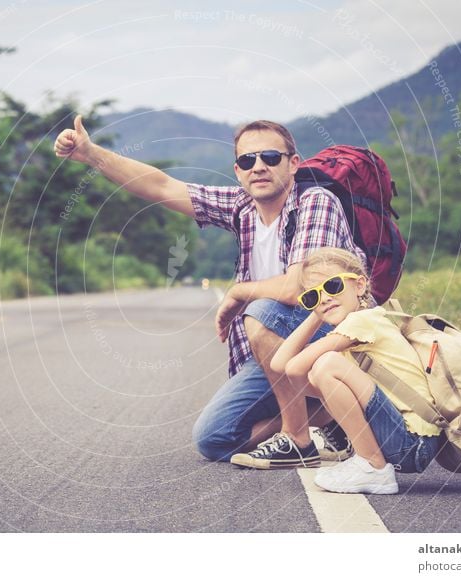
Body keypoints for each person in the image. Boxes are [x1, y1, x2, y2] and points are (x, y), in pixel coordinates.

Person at [54, 116, 365, 464]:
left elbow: (296, 289)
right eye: (248, 160)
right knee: (214, 439)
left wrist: (238, 292)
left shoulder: (315, 203)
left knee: (259, 310)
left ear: (293, 164)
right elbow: (161, 187)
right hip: (277, 350)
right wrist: (91, 153)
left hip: (332, 338)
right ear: (237, 170)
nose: (258, 167)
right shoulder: (242, 208)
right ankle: (330, 411)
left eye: (270, 158)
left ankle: (298, 439)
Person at [231, 247, 440, 494]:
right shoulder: (349, 328)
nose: (325, 298)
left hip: (413, 442)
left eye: (332, 287)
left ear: (360, 285)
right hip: (404, 443)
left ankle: (373, 467)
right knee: (322, 369)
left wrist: (319, 311)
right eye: (313, 296)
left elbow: (293, 367)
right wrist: (318, 313)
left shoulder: (363, 320)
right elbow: (279, 365)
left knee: (325, 365)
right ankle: (369, 461)